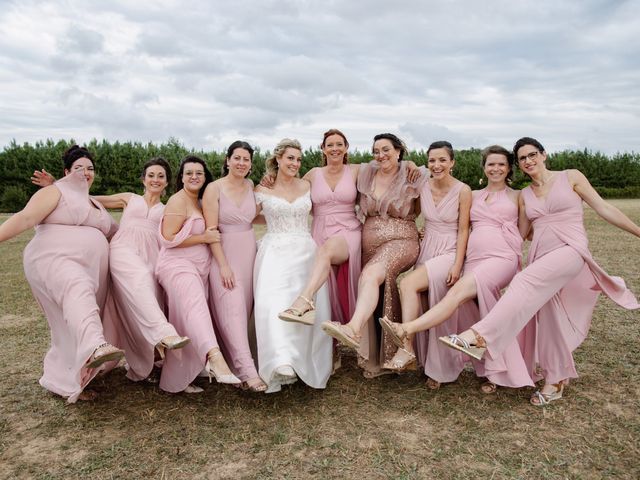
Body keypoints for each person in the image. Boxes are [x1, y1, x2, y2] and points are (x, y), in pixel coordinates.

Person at [439, 137, 640, 405]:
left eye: (532, 155)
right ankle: (555, 380)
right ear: (519, 165)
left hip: (571, 250)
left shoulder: (571, 177)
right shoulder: (526, 195)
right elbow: (520, 233)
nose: (528, 161)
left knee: (523, 280)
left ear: (544, 155)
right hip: (541, 255)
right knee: (549, 316)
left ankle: (478, 337)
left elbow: (604, 207)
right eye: (522, 158)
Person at [380, 145, 534, 392]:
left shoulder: (517, 196)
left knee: (443, 297)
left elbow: (524, 230)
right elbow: (408, 181)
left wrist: (458, 262)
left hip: (486, 256)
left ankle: (409, 344)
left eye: (501, 164)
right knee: (468, 310)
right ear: (483, 167)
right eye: (490, 164)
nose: (495, 168)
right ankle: (458, 368)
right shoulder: (474, 194)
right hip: (468, 255)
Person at [33, 159, 190, 384]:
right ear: (143, 179)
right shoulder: (129, 198)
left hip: (151, 256)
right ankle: (165, 333)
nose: (155, 179)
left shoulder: (168, 209)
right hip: (123, 249)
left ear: (166, 182)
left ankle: (148, 359)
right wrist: (55, 185)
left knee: (146, 299)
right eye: (151, 175)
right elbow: (87, 199)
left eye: (161, 176)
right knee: (140, 280)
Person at [2, 145, 123, 402]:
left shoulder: (96, 206)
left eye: (90, 168)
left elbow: (118, 234)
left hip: (92, 272)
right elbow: (25, 219)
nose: (85, 172)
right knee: (76, 286)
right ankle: (95, 346)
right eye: (78, 168)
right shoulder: (54, 192)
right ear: (66, 172)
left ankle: (68, 378)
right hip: (53, 259)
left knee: (71, 321)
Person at [321, 133, 427, 377]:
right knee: (378, 286)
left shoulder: (413, 175)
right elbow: (334, 167)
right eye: (376, 151)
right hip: (369, 242)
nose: (381, 155)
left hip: (401, 240)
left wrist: (409, 165)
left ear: (399, 151)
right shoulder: (367, 172)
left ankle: (353, 329)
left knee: (369, 275)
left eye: (386, 150)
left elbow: (430, 204)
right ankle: (380, 359)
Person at [383, 141, 472, 386]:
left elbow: (464, 230)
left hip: (450, 250)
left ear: (452, 162)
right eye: (432, 160)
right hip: (428, 247)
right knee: (427, 303)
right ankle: (428, 364)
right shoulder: (422, 183)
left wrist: (457, 264)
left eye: (443, 160)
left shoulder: (463, 190)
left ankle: (407, 345)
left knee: (409, 285)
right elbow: (399, 167)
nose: (437, 165)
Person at [253, 138, 333, 393]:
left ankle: (301, 361)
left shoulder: (307, 184)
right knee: (273, 304)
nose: (295, 163)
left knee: (302, 303)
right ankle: (280, 360)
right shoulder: (262, 189)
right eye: (290, 158)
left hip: (304, 251)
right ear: (278, 159)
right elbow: (249, 215)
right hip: (274, 251)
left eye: (298, 159)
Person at [155, 155, 239, 393]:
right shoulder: (177, 201)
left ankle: (177, 379)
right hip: (177, 266)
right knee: (195, 307)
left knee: (186, 320)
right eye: (189, 172)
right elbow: (168, 238)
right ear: (181, 177)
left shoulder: (202, 201)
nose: (194, 177)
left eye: (199, 173)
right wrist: (204, 237)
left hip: (198, 268)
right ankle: (215, 359)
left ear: (205, 177)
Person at [277, 129, 362, 329]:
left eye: (339, 144)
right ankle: (328, 341)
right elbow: (290, 187)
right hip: (320, 230)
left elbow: (391, 164)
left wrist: (410, 163)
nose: (335, 148)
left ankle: (304, 301)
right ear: (322, 149)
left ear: (346, 147)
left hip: (348, 230)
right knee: (325, 283)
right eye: (330, 145)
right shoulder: (313, 175)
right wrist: (270, 180)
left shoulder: (357, 170)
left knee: (327, 251)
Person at [202, 141, 266, 392]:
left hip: (249, 252)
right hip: (225, 254)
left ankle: (236, 364)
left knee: (243, 313)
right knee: (233, 309)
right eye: (237, 158)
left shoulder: (251, 186)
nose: (241, 163)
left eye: (246, 159)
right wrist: (223, 265)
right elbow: (211, 231)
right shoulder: (213, 189)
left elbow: (255, 216)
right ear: (227, 160)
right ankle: (248, 374)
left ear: (251, 164)